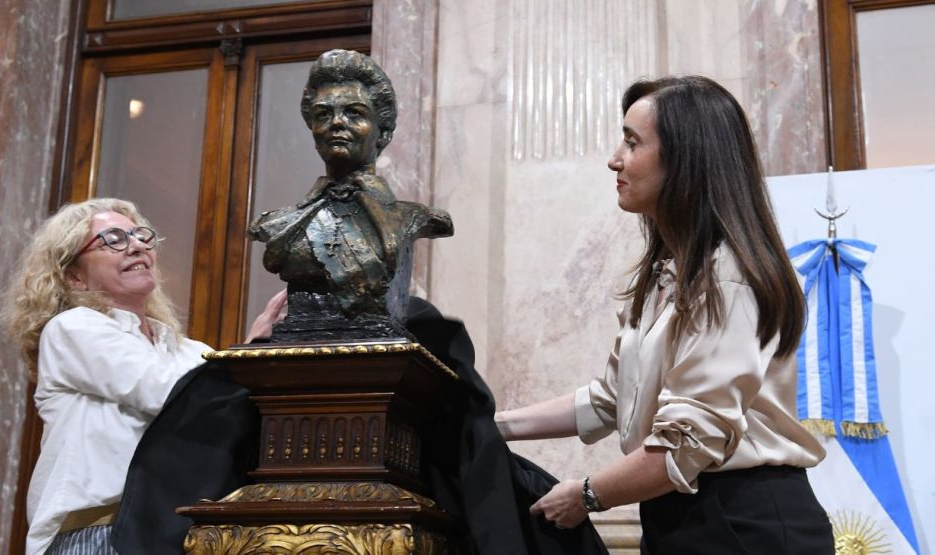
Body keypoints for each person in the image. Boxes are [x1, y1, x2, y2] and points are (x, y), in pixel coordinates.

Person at [495, 76, 834, 553]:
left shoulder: (727, 276)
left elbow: (686, 444)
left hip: (743, 522)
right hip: (683, 513)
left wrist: (587, 495)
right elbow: (612, 400)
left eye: (632, 143)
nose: (615, 159)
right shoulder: (667, 274)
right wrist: (493, 425)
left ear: (685, 160)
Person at [4, 198, 285, 555]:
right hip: (98, 533)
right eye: (113, 239)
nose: (136, 244)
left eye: (139, 236)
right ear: (75, 275)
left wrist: (260, 353)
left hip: (176, 533)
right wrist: (245, 354)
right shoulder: (73, 328)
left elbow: (224, 410)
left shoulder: (186, 350)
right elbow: (168, 392)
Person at [249, 49, 452, 341]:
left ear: (382, 132)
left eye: (354, 113)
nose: (337, 122)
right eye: (323, 114)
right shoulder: (280, 223)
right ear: (313, 130)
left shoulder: (415, 218)